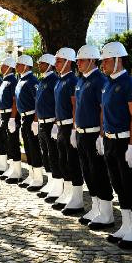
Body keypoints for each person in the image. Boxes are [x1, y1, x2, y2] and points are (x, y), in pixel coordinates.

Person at [100, 42, 132, 249]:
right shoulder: (108, 83)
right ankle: (127, 226)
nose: (103, 64)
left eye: (107, 60)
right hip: (111, 141)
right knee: (118, 185)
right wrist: (102, 136)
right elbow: (104, 113)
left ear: (118, 60)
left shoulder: (131, 85)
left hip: (125, 141)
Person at [74, 45, 114, 229]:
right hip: (82, 133)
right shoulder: (81, 80)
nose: (78, 63)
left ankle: (106, 213)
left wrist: (101, 135)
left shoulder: (99, 80)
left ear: (92, 60)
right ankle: (96, 208)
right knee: (88, 173)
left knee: (98, 173)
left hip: (93, 134)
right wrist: (75, 129)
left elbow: (102, 109)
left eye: (81, 60)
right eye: (77, 60)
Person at [51, 47, 84, 216]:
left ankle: (77, 198)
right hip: (61, 125)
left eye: (59, 61)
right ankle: (68, 192)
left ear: (68, 62)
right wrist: (57, 124)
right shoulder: (59, 80)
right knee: (63, 160)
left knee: (73, 162)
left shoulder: (72, 80)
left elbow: (74, 106)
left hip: (69, 125)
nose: (55, 64)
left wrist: (73, 129)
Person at [15, 55, 43, 191]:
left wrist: (36, 121)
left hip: (31, 117)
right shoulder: (21, 80)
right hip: (24, 118)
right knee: (27, 147)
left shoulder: (32, 80)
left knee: (34, 148)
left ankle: (38, 178)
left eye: (19, 64)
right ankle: (32, 175)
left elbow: (38, 101)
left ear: (26, 65)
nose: (16, 66)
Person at [34, 54, 60, 199]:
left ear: (50, 64)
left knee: (53, 154)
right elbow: (38, 102)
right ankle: (51, 181)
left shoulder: (54, 80)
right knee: (46, 154)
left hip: (51, 122)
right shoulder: (42, 79)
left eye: (42, 63)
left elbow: (58, 104)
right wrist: (36, 120)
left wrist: (56, 123)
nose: (39, 65)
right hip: (42, 122)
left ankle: (58, 184)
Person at [0, 57, 18, 179]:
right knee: (6, 141)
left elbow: (14, 101)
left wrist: (12, 118)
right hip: (4, 114)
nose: (1, 67)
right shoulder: (5, 80)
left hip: (10, 114)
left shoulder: (12, 81)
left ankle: (17, 170)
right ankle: (11, 167)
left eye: (4, 65)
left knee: (13, 142)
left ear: (10, 67)